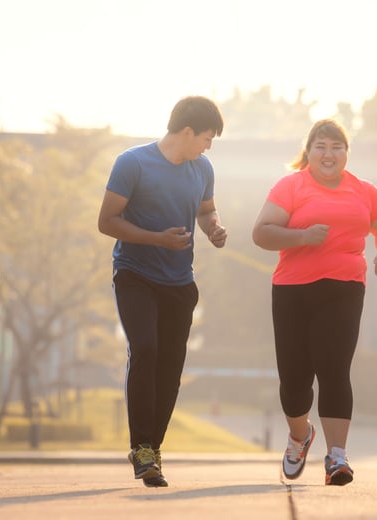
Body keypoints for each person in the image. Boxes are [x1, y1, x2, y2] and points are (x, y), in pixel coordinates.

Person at [251, 119, 377, 486]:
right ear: (309, 152)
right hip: (293, 291)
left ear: (347, 152)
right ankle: (300, 437)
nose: (329, 154)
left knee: (334, 370)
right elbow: (261, 233)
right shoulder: (291, 186)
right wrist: (302, 236)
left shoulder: (364, 191)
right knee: (294, 379)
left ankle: (337, 458)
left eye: (337, 147)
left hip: (344, 289)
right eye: (321, 146)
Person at [97, 96, 227, 488]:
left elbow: (206, 211)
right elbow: (107, 221)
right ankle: (141, 447)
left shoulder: (202, 168)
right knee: (147, 349)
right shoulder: (132, 163)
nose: (208, 147)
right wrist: (156, 239)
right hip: (135, 275)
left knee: (170, 367)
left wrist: (214, 228)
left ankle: (152, 451)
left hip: (178, 281)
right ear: (187, 132)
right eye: (206, 138)